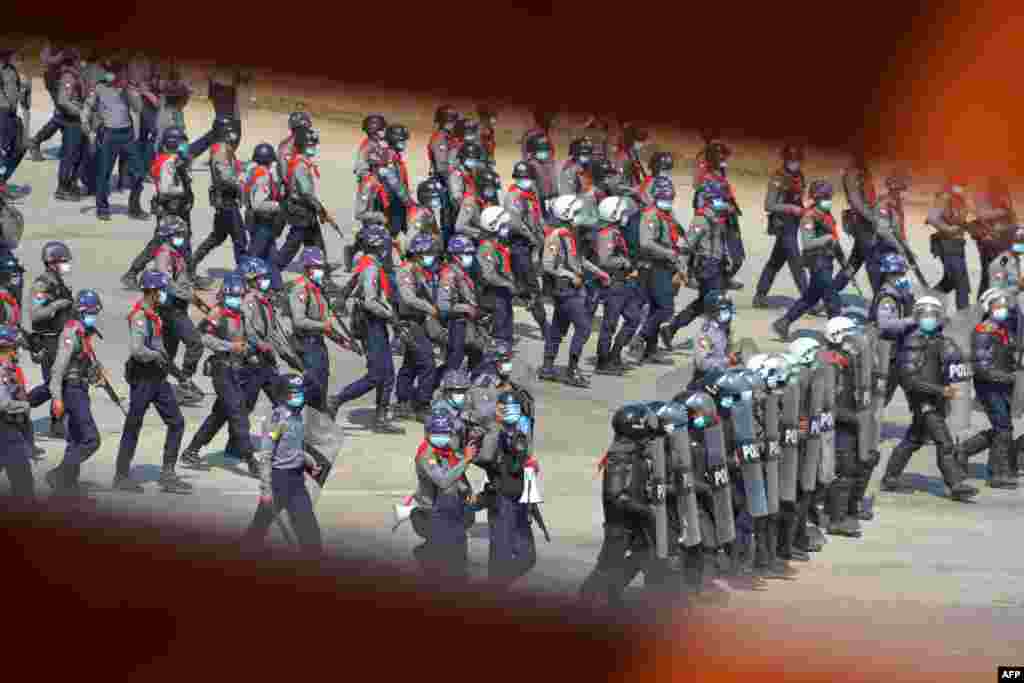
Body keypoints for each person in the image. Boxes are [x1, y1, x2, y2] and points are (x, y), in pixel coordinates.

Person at [882, 296, 978, 501]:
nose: (929, 319)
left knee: (913, 439)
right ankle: (955, 484)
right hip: (922, 400)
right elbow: (910, 380)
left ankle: (890, 476)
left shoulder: (940, 340)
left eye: (933, 315)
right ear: (917, 317)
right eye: (925, 315)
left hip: (936, 399)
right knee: (944, 442)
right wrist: (940, 390)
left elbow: (957, 364)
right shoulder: (912, 342)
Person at [114, 270, 192, 494]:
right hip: (143, 377)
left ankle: (168, 474)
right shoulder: (140, 316)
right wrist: (156, 356)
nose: (164, 294)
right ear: (153, 292)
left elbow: (159, 347)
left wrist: (177, 373)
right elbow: (137, 350)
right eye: (162, 290)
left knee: (176, 422)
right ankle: (121, 475)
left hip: (158, 377)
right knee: (133, 425)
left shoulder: (155, 314)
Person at [578, 402, 659, 608]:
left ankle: (612, 594)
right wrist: (646, 511)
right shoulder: (620, 457)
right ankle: (586, 598)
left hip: (633, 520)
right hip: (620, 524)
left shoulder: (633, 452)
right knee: (607, 564)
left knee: (643, 555)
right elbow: (616, 496)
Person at [179, 274, 261, 476]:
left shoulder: (239, 314)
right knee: (238, 412)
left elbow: (244, 338)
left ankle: (191, 451)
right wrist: (230, 346)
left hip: (237, 368)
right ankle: (251, 459)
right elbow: (203, 337)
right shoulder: (217, 313)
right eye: (233, 296)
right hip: (221, 369)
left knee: (220, 414)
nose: (236, 299)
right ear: (224, 295)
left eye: (239, 296)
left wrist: (248, 353)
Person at [326, 227, 401, 433]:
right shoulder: (371, 269)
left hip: (373, 322)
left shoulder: (367, 264)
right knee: (377, 374)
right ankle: (337, 400)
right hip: (372, 323)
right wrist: (390, 316)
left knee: (388, 374)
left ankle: (380, 418)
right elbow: (370, 301)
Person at [242, 373, 323, 557]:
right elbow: (266, 455)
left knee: (308, 527)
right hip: (278, 481)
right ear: (284, 395)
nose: (299, 396)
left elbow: (294, 447)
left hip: (296, 480)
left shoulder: (296, 416)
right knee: (259, 528)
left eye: (300, 392)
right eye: (294, 392)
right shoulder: (277, 420)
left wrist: (308, 461)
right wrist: (266, 489)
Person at [45, 289, 109, 499]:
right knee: (91, 440)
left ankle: (67, 487)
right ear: (80, 312)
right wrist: (56, 399)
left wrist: (95, 377)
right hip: (72, 391)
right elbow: (58, 369)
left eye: (95, 312)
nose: (94, 316)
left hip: (80, 388)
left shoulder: (83, 332)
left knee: (76, 439)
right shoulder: (71, 333)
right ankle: (60, 474)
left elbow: (82, 365)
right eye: (90, 312)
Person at [540, 195, 608, 387]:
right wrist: (570, 276)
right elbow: (547, 265)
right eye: (576, 212)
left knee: (558, 329)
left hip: (572, 288)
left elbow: (579, 260)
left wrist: (599, 272)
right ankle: (572, 369)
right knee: (584, 328)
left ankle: (547, 367)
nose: (579, 216)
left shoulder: (570, 234)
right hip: (565, 289)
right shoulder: (555, 237)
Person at [957, 288, 1020, 489]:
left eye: (1005, 305)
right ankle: (997, 473)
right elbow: (982, 369)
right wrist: (1012, 378)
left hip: (1004, 385)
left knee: (1002, 428)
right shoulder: (983, 332)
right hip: (990, 386)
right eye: (998, 305)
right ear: (988, 307)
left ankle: (964, 450)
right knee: (1003, 428)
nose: (1003, 309)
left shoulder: (1004, 329)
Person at [474, 392, 539, 586]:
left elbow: (527, 462)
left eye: (515, 409)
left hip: (521, 499)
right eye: (506, 409)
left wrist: (530, 501)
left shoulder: (522, 433)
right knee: (500, 556)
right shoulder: (493, 434)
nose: (511, 413)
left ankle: (495, 586)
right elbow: (484, 458)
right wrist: (495, 430)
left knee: (527, 557)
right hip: (501, 500)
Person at [772, 180, 843, 341]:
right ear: (817, 198)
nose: (829, 200)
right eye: (826, 197)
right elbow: (807, 243)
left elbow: (834, 240)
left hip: (827, 261)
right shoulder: (809, 217)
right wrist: (826, 238)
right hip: (817, 263)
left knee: (810, 298)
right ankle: (837, 334)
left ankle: (783, 322)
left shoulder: (827, 215)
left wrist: (843, 261)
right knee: (832, 299)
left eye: (829, 196)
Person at [79, 59, 149, 222]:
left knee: (139, 172)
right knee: (104, 174)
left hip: (127, 135)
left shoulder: (127, 89)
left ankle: (134, 207)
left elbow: (138, 108)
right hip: (108, 134)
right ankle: (102, 208)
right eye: (110, 71)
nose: (113, 74)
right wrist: (86, 128)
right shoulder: (99, 88)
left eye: (117, 71)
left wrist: (129, 92)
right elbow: (87, 107)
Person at [414, 412, 478, 581]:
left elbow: (456, 474)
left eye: (445, 434)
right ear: (428, 434)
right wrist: (466, 460)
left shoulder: (446, 451)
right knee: (443, 566)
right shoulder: (426, 455)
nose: (441, 437)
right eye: (436, 433)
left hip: (451, 508)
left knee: (459, 556)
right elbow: (443, 481)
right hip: (434, 512)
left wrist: (466, 491)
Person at [151, 217, 206, 405]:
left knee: (168, 351)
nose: (183, 237)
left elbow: (182, 280)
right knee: (195, 343)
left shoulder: (176, 253)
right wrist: (186, 294)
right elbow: (165, 282)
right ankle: (185, 381)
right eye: (179, 234)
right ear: (169, 235)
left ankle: (155, 383)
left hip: (178, 305)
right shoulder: (164, 255)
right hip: (171, 308)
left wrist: (193, 295)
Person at [28, 241, 76, 439]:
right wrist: (58, 304)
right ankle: (22, 404)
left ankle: (57, 424)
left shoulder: (58, 282)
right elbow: (35, 314)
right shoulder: (41, 285)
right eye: (63, 261)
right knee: (52, 384)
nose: (67, 265)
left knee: (61, 381)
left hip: (60, 337)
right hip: (47, 341)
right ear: (51, 263)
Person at [393, 232, 441, 422]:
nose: (433, 257)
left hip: (419, 321)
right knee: (427, 363)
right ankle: (422, 405)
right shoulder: (406, 271)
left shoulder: (420, 271)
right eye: (429, 253)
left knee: (411, 363)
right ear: (419, 254)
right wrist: (430, 308)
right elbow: (408, 298)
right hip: (410, 322)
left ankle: (403, 401)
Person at [191, 116, 247, 274]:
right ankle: (244, 273)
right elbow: (224, 175)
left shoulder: (221, 147)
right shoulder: (221, 150)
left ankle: (192, 262)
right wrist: (239, 184)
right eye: (230, 131)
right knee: (240, 239)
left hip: (223, 200)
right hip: (227, 200)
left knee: (217, 236)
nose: (234, 134)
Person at [593, 196, 643, 375]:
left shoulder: (615, 231)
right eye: (622, 213)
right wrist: (625, 263)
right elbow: (605, 260)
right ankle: (603, 361)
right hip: (614, 285)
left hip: (625, 283)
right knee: (609, 324)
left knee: (634, 318)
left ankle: (615, 354)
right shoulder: (606, 234)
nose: (625, 216)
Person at [753, 145, 808, 307]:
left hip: (794, 224)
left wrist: (804, 209)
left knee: (775, 261)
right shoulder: (778, 178)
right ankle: (808, 299)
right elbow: (768, 205)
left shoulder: (799, 176)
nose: (795, 163)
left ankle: (760, 295)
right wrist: (791, 208)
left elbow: (798, 198)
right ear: (785, 160)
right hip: (783, 225)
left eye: (797, 160)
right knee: (796, 262)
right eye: (792, 160)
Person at [277, 127, 330, 273]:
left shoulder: (299, 161)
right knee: (292, 246)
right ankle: (273, 272)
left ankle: (323, 274)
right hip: (302, 210)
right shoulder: (300, 164)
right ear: (302, 145)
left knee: (316, 244)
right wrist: (320, 208)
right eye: (310, 145)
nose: (313, 148)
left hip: (304, 209)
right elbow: (306, 192)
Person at [288, 247, 332, 412]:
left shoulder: (317, 287)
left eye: (321, 267)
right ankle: (290, 418)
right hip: (306, 343)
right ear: (306, 268)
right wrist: (322, 325)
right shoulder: (300, 289)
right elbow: (299, 321)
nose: (320, 271)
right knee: (311, 385)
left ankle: (317, 425)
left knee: (322, 383)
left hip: (318, 341)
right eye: (316, 267)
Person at [244, 143, 287, 297]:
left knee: (271, 255)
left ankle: (277, 287)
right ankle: (239, 285)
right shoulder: (263, 176)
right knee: (254, 256)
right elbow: (258, 204)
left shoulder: (254, 171)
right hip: (262, 221)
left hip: (258, 220)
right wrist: (279, 205)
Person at [436, 235, 482, 378]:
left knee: (476, 353)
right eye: (466, 254)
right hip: (455, 322)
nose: (470, 257)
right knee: (455, 358)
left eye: (471, 254)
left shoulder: (462, 271)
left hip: (465, 321)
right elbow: (443, 304)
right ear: (455, 256)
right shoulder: (449, 274)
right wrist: (466, 308)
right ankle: (439, 385)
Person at [926, 177, 972, 311]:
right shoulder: (944, 198)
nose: (962, 188)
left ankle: (928, 302)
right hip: (947, 244)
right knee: (960, 283)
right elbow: (932, 218)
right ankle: (964, 315)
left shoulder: (961, 200)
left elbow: (963, 220)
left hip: (957, 245)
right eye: (960, 184)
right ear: (952, 185)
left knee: (952, 281)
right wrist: (948, 229)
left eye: (964, 185)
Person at [0, 324, 33, 501]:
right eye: (15, 347)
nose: (18, 351)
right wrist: (24, 406)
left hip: (8, 429)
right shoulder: (2, 369)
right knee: (23, 480)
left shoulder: (8, 368)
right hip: (4, 429)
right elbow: (3, 403)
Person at [970, 177, 1017, 300]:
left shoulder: (1004, 197)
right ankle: (983, 307)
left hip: (1004, 246)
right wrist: (1001, 212)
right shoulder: (982, 193)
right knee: (988, 276)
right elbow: (981, 215)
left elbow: (1012, 220)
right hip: (990, 246)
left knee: (1001, 274)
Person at [477, 207, 518, 344]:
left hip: (502, 291)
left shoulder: (497, 244)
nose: (506, 228)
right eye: (503, 225)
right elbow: (489, 275)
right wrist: (507, 283)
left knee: (507, 322)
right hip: (494, 293)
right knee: (500, 327)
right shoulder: (487, 248)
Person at [52, 51, 89, 201]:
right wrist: (79, 112)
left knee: (80, 154)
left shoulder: (77, 77)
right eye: (78, 60)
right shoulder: (68, 77)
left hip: (79, 121)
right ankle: (62, 188)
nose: (81, 63)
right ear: (73, 62)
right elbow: (62, 100)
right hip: (72, 121)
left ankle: (72, 183)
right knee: (69, 155)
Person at [0, 47, 29, 194]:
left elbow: (18, 90)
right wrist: (7, 105)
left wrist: (24, 93)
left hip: (12, 114)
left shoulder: (12, 69)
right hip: (2, 113)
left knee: (21, 146)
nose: (11, 56)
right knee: (3, 151)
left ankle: (2, 179)